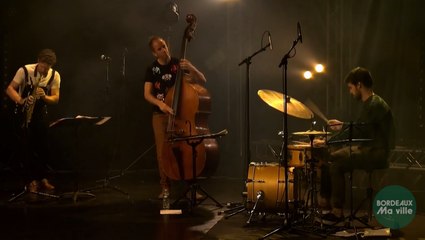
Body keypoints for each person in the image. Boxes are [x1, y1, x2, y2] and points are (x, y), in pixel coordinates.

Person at [319, 67, 395, 223]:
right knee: (329, 157)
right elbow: (361, 127)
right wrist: (342, 126)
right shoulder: (372, 103)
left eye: (350, 87)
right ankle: (325, 202)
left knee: (336, 165)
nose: (350, 91)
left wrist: (328, 141)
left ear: (359, 85)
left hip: (376, 152)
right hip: (368, 148)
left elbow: (359, 132)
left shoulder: (374, 105)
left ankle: (337, 211)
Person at [143, 36, 207, 198]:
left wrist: (191, 68)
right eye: (159, 49)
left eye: (164, 46)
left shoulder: (178, 64)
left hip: (181, 114)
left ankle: (190, 186)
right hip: (160, 114)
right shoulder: (151, 69)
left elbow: (202, 80)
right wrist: (162, 105)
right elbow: (147, 95)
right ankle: (165, 187)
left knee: (188, 148)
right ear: (154, 53)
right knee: (161, 151)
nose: (163, 50)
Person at [5, 48, 61, 193]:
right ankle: (30, 181)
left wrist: (44, 97)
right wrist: (22, 100)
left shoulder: (54, 75)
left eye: (47, 68)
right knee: (26, 147)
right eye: (42, 67)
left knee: (43, 147)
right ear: (38, 61)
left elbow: (55, 98)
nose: (44, 71)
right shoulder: (24, 70)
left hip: (40, 113)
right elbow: (10, 89)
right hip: (24, 111)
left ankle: (43, 178)